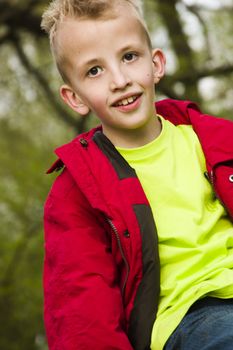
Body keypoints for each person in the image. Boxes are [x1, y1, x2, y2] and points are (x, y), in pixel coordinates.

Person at [41, 1, 233, 349]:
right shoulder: (77, 193)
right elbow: (81, 309)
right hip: (191, 315)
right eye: (94, 71)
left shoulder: (215, 140)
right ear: (75, 97)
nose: (120, 80)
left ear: (156, 63)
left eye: (129, 56)